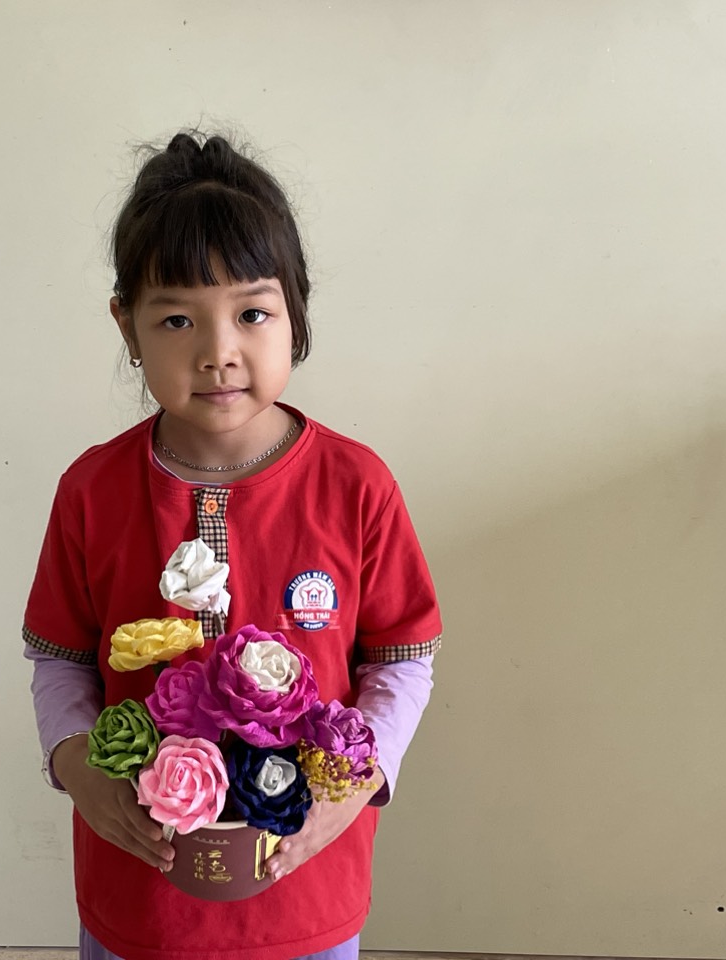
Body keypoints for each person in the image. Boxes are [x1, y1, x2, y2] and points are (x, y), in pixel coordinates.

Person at [23, 129, 442, 960]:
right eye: (177, 318)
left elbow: (402, 660)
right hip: (140, 900)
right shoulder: (92, 490)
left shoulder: (356, 485)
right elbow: (59, 659)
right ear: (127, 326)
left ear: (296, 311)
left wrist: (354, 784)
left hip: (305, 896)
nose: (218, 352)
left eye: (252, 313)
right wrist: (77, 765)